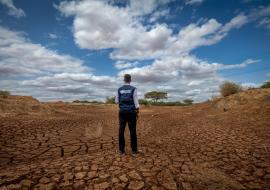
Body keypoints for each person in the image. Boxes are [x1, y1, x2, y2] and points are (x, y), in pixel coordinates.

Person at [115, 74, 139, 155]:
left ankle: (121, 150)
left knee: (121, 130)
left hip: (122, 112)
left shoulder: (119, 89)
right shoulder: (134, 89)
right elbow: (136, 102)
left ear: (124, 80)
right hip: (132, 112)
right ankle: (134, 151)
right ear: (130, 80)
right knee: (132, 131)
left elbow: (116, 101)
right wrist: (137, 111)